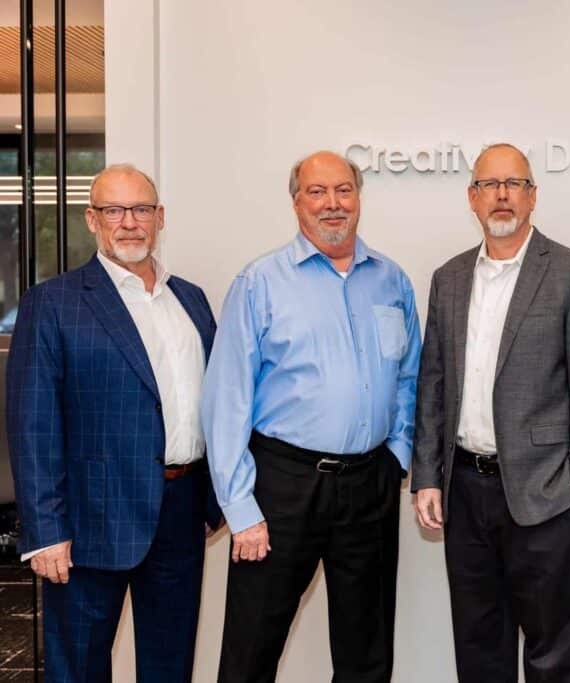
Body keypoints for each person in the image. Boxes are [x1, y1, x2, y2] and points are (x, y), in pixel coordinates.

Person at [201, 150, 421, 683]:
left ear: (359, 198)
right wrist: (240, 506)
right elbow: (226, 397)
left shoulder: (391, 280)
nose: (332, 204)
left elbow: (410, 376)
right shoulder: (260, 282)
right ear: (296, 201)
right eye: (317, 192)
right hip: (282, 485)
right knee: (253, 645)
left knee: (366, 650)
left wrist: (397, 455)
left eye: (343, 190)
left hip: (370, 482)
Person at [6, 163, 221, 681]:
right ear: (91, 220)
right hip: (88, 523)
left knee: (170, 667)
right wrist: (45, 531)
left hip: (181, 512)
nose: (129, 222)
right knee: (78, 667)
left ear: (160, 217)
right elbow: (32, 424)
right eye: (114, 210)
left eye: (141, 209)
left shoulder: (190, 299)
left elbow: (215, 400)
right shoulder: (53, 303)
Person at [411, 143, 570, 682]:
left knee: (552, 654)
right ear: (472, 198)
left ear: (532, 197)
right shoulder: (448, 278)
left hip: (547, 493)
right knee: (479, 649)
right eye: (490, 185)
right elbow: (433, 384)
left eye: (514, 184)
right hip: (466, 492)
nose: (502, 195)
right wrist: (427, 476)